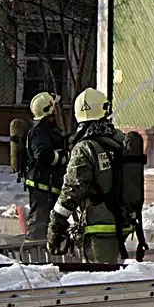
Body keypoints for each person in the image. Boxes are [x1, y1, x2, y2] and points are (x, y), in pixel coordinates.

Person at [48, 88, 129, 263]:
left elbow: (73, 188)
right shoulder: (120, 141)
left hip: (98, 226)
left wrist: (56, 222)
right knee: (118, 273)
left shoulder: (85, 148)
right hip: (122, 221)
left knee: (99, 276)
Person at [23, 92, 69, 241]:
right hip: (42, 185)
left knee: (50, 222)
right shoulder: (40, 130)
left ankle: (47, 247)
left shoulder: (45, 128)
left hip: (47, 184)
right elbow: (42, 155)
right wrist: (62, 158)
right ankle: (33, 249)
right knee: (39, 222)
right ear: (48, 109)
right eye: (53, 107)